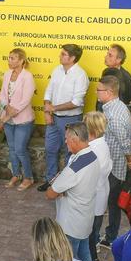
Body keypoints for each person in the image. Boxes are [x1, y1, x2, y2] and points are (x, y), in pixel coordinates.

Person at [46, 122, 99, 261]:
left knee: (69, 259)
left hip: (70, 223)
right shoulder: (93, 156)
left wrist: (60, 189)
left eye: (66, 139)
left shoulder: (75, 168)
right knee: (84, 253)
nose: (65, 142)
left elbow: (50, 194)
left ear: (75, 140)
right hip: (85, 217)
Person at [39, 44, 88, 192]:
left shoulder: (80, 75)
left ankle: (67, 185)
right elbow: (48, 92)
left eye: (63, 54)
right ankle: (51, 181)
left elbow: (76, 102)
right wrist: (48, 112)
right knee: (50, 149)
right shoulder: (57, 70)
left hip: (71, 119)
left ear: (72, 58)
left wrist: (53, 108)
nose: (60, 56)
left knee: (70, 152)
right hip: (53, 119)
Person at [95, 75, 131, 249]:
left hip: (114, 165)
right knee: (111, 201)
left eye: (99, 90)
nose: (96, 92)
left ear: (109, 92)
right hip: (113, 162)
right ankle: (110, 235)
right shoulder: (119, 106)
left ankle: (109, 237)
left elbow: (125, 141)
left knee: (109, 202)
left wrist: (130, 159)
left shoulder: (113, 115)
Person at [0, 48, 36, 190]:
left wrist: (13, 111)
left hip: (23, 119)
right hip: (8, 118)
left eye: (13, 58)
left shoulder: (28, 76)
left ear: (21, 61)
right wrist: (6, 108)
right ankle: (16, 174)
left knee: (20, 149)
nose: (9, 60)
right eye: (9, 58)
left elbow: (26, 99)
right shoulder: (7, 74)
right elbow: (3, 94)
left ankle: (28, 177)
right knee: (12, 148)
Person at [83, 112, 113, 261]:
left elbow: (90, 177)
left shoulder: (93, 149)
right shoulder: (101, 145)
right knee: (92, 233)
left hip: (93, 198)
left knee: (89, 234)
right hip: (99, 196)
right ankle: (94, 259)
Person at [96, 44, 131, 110]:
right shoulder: (106, 73)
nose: (106, 57)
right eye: (107, 54)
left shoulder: (126, 77)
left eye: (110, 55)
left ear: (119, 60)